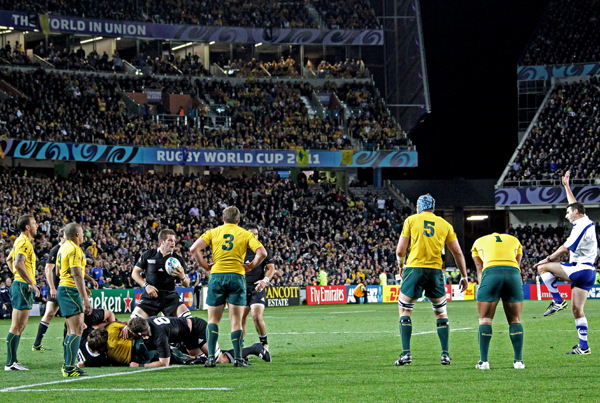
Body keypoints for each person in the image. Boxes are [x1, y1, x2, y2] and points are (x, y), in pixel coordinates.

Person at [394, 194, 468, 366]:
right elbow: (457, 252)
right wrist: (463, 276)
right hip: (435, 271)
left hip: (414, 269)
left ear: (419, 207)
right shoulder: (445, 224)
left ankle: (406, 354)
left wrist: (400, 264)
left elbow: (400, 250)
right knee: (441, 313)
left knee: (405, 310)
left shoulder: (411, 220)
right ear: (433, 208)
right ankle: (445, 354)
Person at [190, 206, 267, 367]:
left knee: (213, 320)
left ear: (223, 219)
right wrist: (250, 266)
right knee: (236, 321)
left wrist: (205, 266)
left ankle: (211, 358)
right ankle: (238, 359)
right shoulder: (245, 234)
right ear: (238, 221)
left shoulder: (213, 232)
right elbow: (262, 253)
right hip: (237, 276)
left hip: (217, 276)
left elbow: (194, 248)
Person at [534, 170, 597, 355]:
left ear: (575, 213)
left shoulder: (580, 228)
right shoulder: (586, 220)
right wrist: (567, 186)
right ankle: (584, 347)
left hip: (579, 269)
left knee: (543, 268)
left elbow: (564, 249)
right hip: (588, 273)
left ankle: (557, 300)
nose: (566, 214)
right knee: (577, 310)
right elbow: (574, 204)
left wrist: (545, 259)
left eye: (567, 212)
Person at [126, 316, 271, 367]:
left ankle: (255, 348)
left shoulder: (159, 334)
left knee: (220, 359)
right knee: (201, 357)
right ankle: (241, 353)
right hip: (188, 335)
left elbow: (164, 363)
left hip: (198, 329)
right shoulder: (147, 321)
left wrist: (140, 365)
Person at [471, 232, 525, 370]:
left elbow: (479, 268)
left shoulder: (478, 241)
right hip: (513, 274)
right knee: (515, 320)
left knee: (485, 319)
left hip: (491, 273)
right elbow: (517, 265)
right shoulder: (515, 240)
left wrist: (484, 287)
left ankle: (484, 362)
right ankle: (518, 361)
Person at [56, 222, 93, 377]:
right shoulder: (75, 249)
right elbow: (76, 274)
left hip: (63, 288)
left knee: (71, 330)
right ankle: (70, 367)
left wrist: (84, 288)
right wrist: (85, 298)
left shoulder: (62, 247)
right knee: (76, 330)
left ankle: (67, 365)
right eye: (82, 232)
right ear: (77, 234)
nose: (84, 235)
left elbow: (58, 272)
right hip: (70, 290)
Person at [5, 215, 40, 371]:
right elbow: (19, 263)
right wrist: (30, 283)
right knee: (16, 326)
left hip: (20, 284)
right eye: (34, 223)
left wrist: (17, 276)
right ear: (27, 227)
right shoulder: (25, 242)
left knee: (19, 326)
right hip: (22, 287)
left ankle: (13, 361)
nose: (37, 225)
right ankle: (10, 363)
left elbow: (8, 259)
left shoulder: (19, 241)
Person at [131, 229, 191, 319]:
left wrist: (182, 277)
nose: (173, 243)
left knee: (187, 320)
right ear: (162, 241)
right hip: (150, 297)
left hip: (170, 297)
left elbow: (187, 284)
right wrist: (146, 286)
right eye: (170, 240)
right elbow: (134, 273)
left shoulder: (178, 260)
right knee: (134, 322)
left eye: (174, 240)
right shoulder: (148, 255)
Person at [241, 227, 275, 355]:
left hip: (257, 287)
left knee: (256, 316)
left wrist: (264, 280)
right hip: (242, 288)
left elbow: (271, 268)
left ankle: (264, 345)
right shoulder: (240, 250)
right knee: (240, 319)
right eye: (251, 234)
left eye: (256, 234)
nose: (254, 236)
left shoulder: (263, 250)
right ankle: (241, 349)